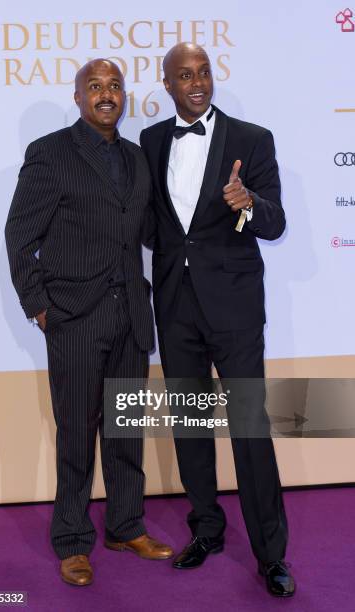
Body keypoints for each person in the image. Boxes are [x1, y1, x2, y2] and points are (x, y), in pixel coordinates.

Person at [5, 59, 173, 587]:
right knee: (77, 433)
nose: (107, 95)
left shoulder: (137, 157)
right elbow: (19, 236)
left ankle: (125, 525)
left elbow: (146, 231)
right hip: (75, 318)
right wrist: (39, 305)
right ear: (78, 98)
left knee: (125, 430)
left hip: (130, 317)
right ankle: (73, 541)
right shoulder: (51, 152)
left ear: (124, 97)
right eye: (95, 87)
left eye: (115, 87)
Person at [140, 43, 295, 598]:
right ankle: (206, 530)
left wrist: (247, 201)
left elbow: (276, 223)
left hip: (233, 308)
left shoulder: (252, 139)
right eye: (185, 75)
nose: (197, 82)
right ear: (167, 84)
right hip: (175, 306)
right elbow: (154, 226)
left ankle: (272, 555)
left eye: (204, 72)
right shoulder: (152, 141)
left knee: (250, 431)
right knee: (191, 428)